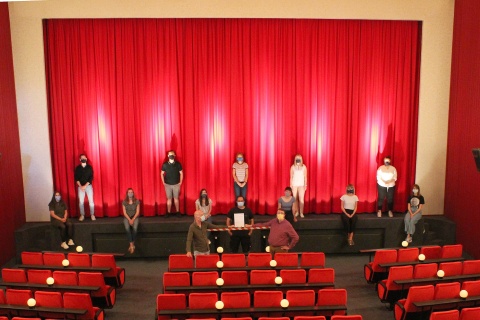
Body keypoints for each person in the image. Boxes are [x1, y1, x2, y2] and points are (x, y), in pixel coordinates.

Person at [161, 150, 183, 217]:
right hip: (168, 184)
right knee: (169, 199)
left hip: (176, 184)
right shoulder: (165, 165)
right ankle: (168, 212)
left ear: (174, 156)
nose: (171, 156)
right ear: (168, 156)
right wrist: (163, 182)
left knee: (176, 198)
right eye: (170, 155)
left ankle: (177, 212)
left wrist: (180, 182)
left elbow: (181, 173)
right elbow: (161, 173)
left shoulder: (178, 164)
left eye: (172, 155)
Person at [74, 153, 95, 221]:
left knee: (91, 201)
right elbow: (76, 178)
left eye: (84, 158)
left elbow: (91, 178)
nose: (83, 159)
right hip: (80, 187)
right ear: (80, 159)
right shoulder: (77, 168)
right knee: (81, 202)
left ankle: (92, 214)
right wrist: (81, 186)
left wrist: (85, 186)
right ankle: (82, 215)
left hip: (88, 186)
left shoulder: (89, 167)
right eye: (82, 158)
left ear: (86, 159)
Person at [122, 188, 140, 254]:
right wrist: (129, 220)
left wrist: (133, 219)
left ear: (133, 193)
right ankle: (132, 245)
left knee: (135, 228)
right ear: (127, 193)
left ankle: (131, 245)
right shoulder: (124, 202)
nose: (130, 193)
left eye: (131, 192)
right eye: (129, 192)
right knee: (127, 229)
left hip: (135, 217)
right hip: (127, 217)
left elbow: (137, 212)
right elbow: (124, 213)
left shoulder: (137, 201)